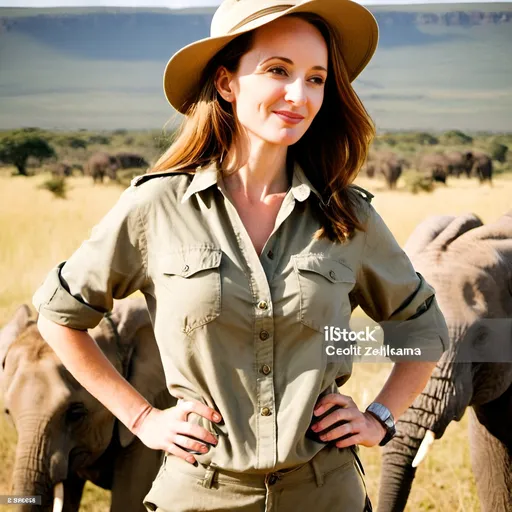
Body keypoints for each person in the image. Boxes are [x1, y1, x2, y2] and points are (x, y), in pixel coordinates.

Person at [33, 0, 449, 511]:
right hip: (199, 494)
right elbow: (58, 315)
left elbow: (423, 328)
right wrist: (142, 418)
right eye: (278, 70)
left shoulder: (346, 214)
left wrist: (379, 416)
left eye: (316, 79)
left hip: (327, 494)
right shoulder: (156, 206)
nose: (300, 95)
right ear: (227, 83)